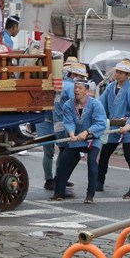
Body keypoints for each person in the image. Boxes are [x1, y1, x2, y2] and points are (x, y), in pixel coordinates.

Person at [50, 75, 106, 203]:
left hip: (92, 137)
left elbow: (100, 123)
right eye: (75, 87)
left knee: (92, 162)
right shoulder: (68, 105)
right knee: (64, 162)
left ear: (86, 90)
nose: (77, 90)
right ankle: (59, 193)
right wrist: (71, 134)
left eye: (80, 88)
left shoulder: (95, 104)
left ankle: (90, 195)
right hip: (76, 137)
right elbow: (68, 121)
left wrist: (86, 132)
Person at [96, 60, 130, 192]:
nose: (118, 74)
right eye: (117, 72)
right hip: (112, 126)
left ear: (127, 75)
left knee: (129, 155)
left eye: (121, 72)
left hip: (127, 125)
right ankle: (99, 182)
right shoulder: (110, 87)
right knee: (104, 154)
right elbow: (100, 104)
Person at [40, 57, 78, 191]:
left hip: (49, 119)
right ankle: (54, 179)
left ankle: (56, 178)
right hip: (53, 120)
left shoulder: (54, 82)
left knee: (53, 151)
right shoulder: (69, 86)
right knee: (58, 150)